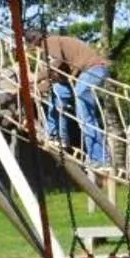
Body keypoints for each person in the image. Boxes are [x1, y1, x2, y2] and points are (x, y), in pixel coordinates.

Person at [34, 33, 112, 164]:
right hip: (81, 76)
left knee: (84, 113)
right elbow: (57, 77)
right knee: (58, 92)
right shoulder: (61, 50)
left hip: (92, 70)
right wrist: (35, 87)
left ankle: (100, 158)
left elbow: (57, 61)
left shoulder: (49, 41)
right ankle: (57, 135)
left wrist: (36, 77)